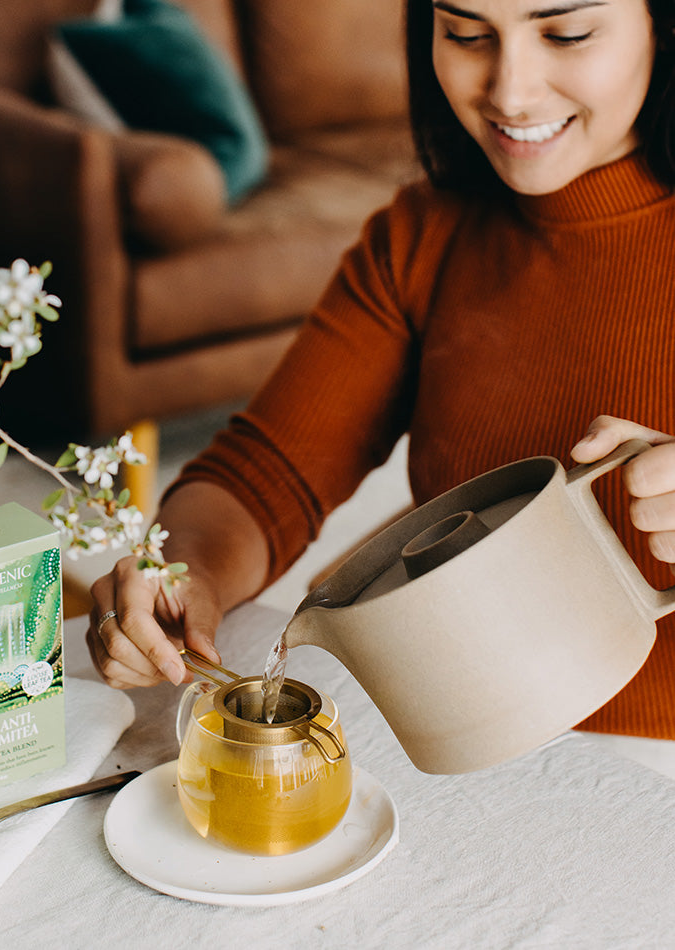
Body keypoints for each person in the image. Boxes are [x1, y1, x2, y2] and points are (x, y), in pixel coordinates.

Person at [87, 0, 675, 747]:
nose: (511, 91)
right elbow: (267, 469)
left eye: (566, 33)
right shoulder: (426, 232)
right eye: (465, 34)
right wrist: (184, 572)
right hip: (454, 746)